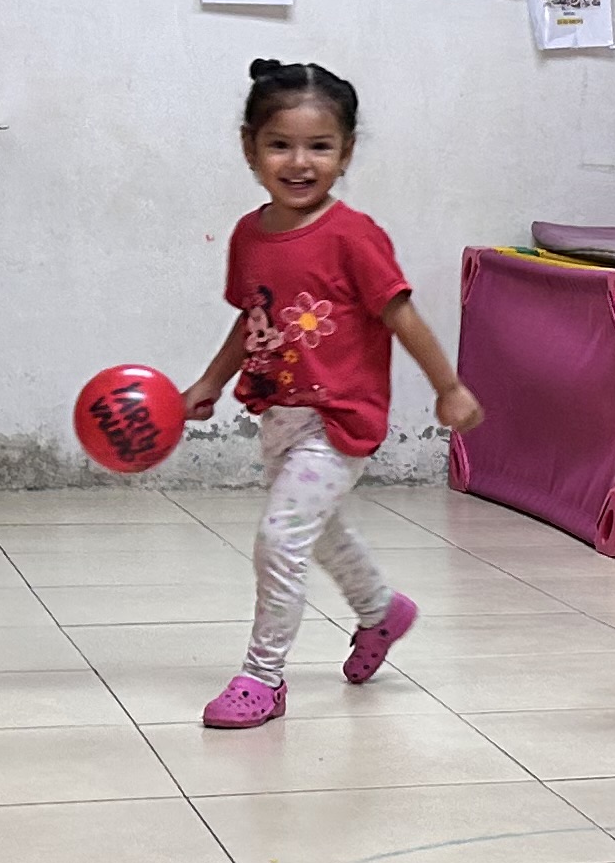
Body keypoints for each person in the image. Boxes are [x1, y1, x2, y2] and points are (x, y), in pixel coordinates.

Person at [181, 58, 478, 728]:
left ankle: (262, 678)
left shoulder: (353, 237)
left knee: (280, 538)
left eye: (319, 146)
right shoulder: (249, 235)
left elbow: (402, 316)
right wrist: (210, 381)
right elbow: (253, 319)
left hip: (340, 418)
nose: (299, 162)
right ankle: (382, 611)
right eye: (279, 144)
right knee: (317, 532)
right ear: (249, 148)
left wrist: (450, 387)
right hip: (279, 415)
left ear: (345, 153)